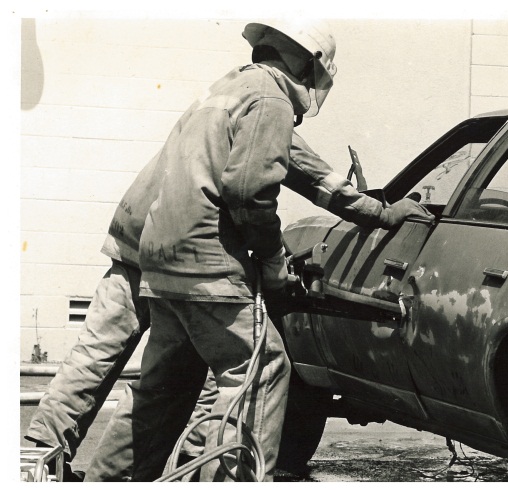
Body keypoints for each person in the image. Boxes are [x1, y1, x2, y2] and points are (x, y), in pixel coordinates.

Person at [60, 18, 431, 483]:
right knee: (263, 371)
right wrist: (274, 264)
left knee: (162, 389)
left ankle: (110, 481)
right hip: (206, 264)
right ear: (307, 64)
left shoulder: (232, 90)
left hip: (160, 264)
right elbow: (251, 191)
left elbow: (312, 174)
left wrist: (378, 211)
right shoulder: (272, 98)